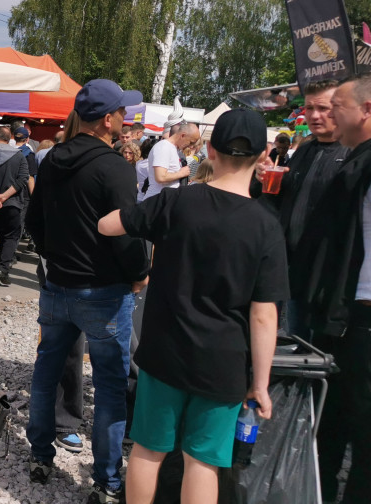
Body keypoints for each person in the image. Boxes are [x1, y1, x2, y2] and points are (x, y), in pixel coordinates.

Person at [98, 108, 285, 504]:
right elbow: (264, 314)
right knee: (203, 462)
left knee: (148, 449)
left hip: (165, 351)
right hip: (223, 364)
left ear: (210, 151)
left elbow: (109, 224)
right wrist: (261, 384)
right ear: (263, 156)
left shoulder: (177, 203)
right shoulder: (266, 225)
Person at [25, 79, 149, 503]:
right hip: (103, 290)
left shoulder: (52, 158)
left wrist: (55, 257)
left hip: (58, 284)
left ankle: (40, 455)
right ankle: (106, 479)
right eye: (122, 113)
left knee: (46, 373)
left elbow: (34, 223)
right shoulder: (115, 166)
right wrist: (139, 272)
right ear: (109, 119)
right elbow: (127, 233)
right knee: (111, 385)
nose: (126, 119)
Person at [292, 73, 371, 503]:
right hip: (350, 317)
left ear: (366, 110)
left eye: (338, 107)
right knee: (336, 426)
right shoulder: (358, 160)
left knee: (369, 436)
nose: (327, 116)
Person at [256, 80, 349, 337]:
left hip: (328, 273)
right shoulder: (306, 149)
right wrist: (263, 179)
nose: (315, 115)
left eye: (323, 108)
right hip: (291, 263)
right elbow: (283, 197)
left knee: (319, 347)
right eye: (309, 108)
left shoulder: (354, 151)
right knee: (295, 339)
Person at [0, 125, 29, 286]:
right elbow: (23, 179)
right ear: (9, 138)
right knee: (10, 236)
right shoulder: (19, 156)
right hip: (12, 203)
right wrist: (5, 196)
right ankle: (3, 268)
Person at [143, 121, 199, 200]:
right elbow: (160, 177)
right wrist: (181, 173)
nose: (191, 146)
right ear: (182, 135)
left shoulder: (173, 148)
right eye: (191, 142)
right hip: (157, 200)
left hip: (163, 200)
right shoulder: (164, 147)